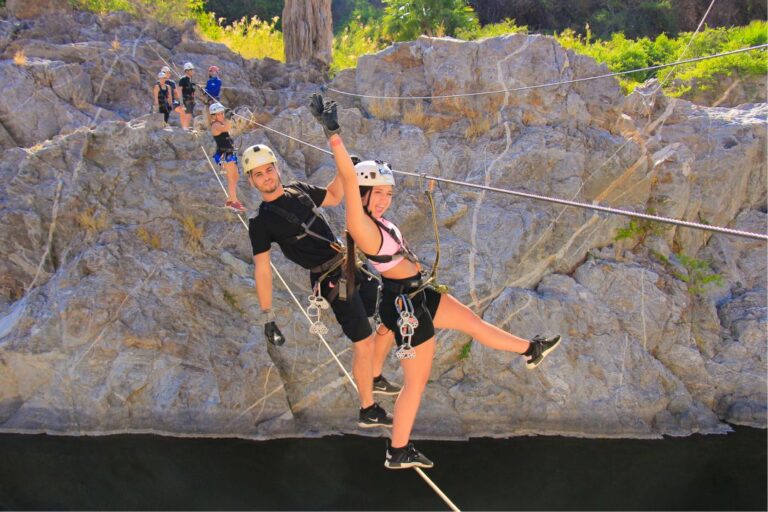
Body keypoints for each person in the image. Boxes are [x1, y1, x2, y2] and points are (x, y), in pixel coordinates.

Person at [310, 94, 562, 469]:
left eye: (388, 195)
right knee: (416, 382)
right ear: (361, 195)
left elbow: (358, 182)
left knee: (473, 324)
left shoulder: (378, 222)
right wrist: (333, 134)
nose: (384, 201)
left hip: (416, 295)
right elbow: (347, 177)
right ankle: (397, 451)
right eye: (378, 194)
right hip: (405, 307)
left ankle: (530, 349)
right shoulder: (361, 226)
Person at [243, 138, 402, 430]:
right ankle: (368, 409)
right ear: (251, 181)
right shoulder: (260, 223)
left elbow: (333, 195)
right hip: (330, 281)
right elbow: (263, 270)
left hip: (349, 264)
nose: (266, 177)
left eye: (269, 170)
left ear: (277, 169)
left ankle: (374, 376)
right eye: (258, 174)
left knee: (390, 312)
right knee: (363, 341)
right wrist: (267, 315)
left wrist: (346, 169)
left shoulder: (299, 191)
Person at [208, 102, 246, 213]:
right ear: (214, 116)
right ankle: (234, 202)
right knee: (231, 178)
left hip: (229, 153)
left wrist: (228, 116)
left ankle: (230, 200)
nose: (221, 115)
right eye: (218, 114)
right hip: (224, 154)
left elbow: (227, 126)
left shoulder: (220, 122)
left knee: (235, 176)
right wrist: (228, 117)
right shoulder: (215, 125)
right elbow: (227, 127)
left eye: (222, 113)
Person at [178, 62, 197, 131]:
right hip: (185, 99)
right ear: (187, 71)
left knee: (189, 114)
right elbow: (179, 90)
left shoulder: (190, 80)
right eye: (191, 70)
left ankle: (186, 127)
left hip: (190, 99)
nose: (193, 71)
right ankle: (185, 128)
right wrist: (181, 102)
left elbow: (192, 92)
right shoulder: (183, 79)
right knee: (187, 114)